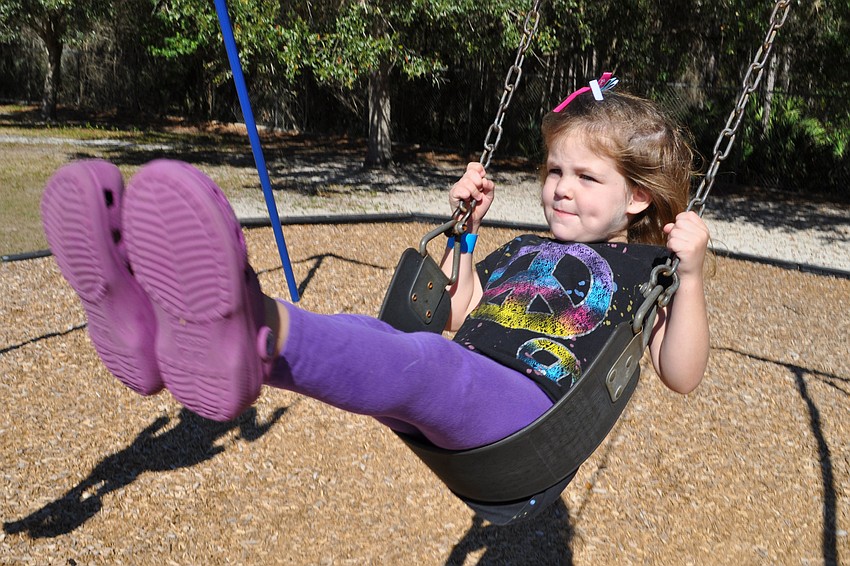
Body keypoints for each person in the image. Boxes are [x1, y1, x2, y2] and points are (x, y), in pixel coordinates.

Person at [40, 74, 709, 522]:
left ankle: (250, 320)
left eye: (586, 176)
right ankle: (153, 324)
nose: (561, 187)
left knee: (421, 364)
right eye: (555, 171)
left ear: (638, 195)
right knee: (396, 348)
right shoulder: (523, 250)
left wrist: (693, 276)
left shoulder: (649, 271)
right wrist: (466, 237)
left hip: (528, 422)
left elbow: (680, 375)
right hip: (467, 395)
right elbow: (456, 314)